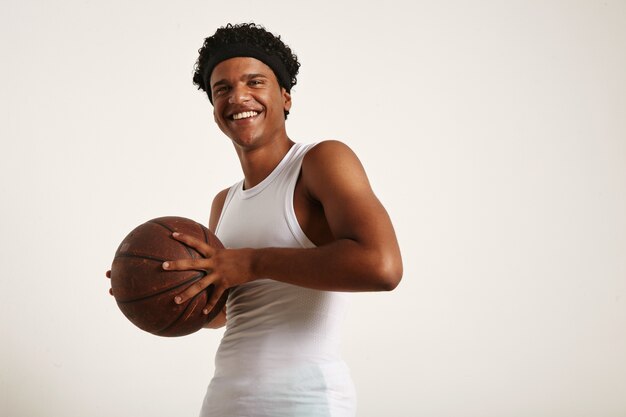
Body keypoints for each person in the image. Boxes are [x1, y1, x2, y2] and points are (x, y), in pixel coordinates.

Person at [109, 22, 402, 417]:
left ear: (285, 97)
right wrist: (155, 288)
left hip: (306, 400)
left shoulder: (320, 161)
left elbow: (382, 266)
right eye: (223, 89)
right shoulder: (223, 202)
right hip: (225, 400)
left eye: (254, 82)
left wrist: (250, 262)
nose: (238, 97)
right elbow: (231, 311)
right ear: (214, 108)